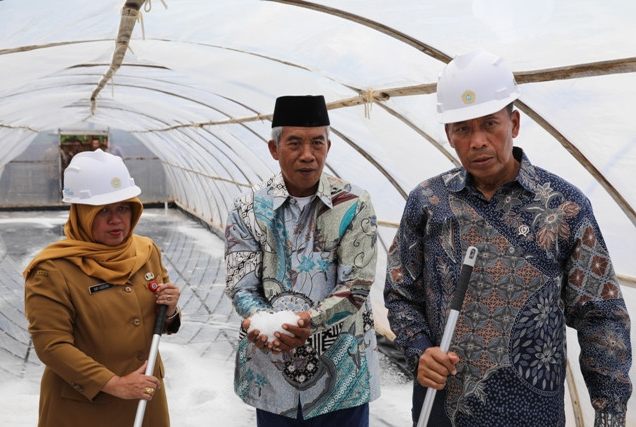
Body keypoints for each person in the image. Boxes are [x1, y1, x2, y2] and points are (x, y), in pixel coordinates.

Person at [384, 49, 632, 426]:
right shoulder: (429, 203)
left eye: (490, 124)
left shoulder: (563, 207)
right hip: (442, 408)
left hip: (532, 415)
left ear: (513, 123)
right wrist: (420, 350)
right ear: (449, 134)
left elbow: (601, 317)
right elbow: (401, 291)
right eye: (462, 129)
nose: (478, 141)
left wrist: (610, 413)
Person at [224, 95, 381, 426]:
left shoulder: (353, 204)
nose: (308, 155)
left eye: (317, 143)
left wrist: (305, 323)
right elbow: (241, 284)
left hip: (340, 375)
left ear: (328, 146)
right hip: (272, 375)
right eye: (294, 143)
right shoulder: (248, 207)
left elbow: (356, 284)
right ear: (274, 148)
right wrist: (261, 323)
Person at [24, 149, 182, 427]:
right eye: (103, 211)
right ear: (82, 214)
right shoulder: (52, 270)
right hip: (84, 407)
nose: (116, 220)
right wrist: (115, 383)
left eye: (123, 207)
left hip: (145, 399)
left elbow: (159, 319)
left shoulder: (146, 251)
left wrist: (169, 311)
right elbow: (51, 346)